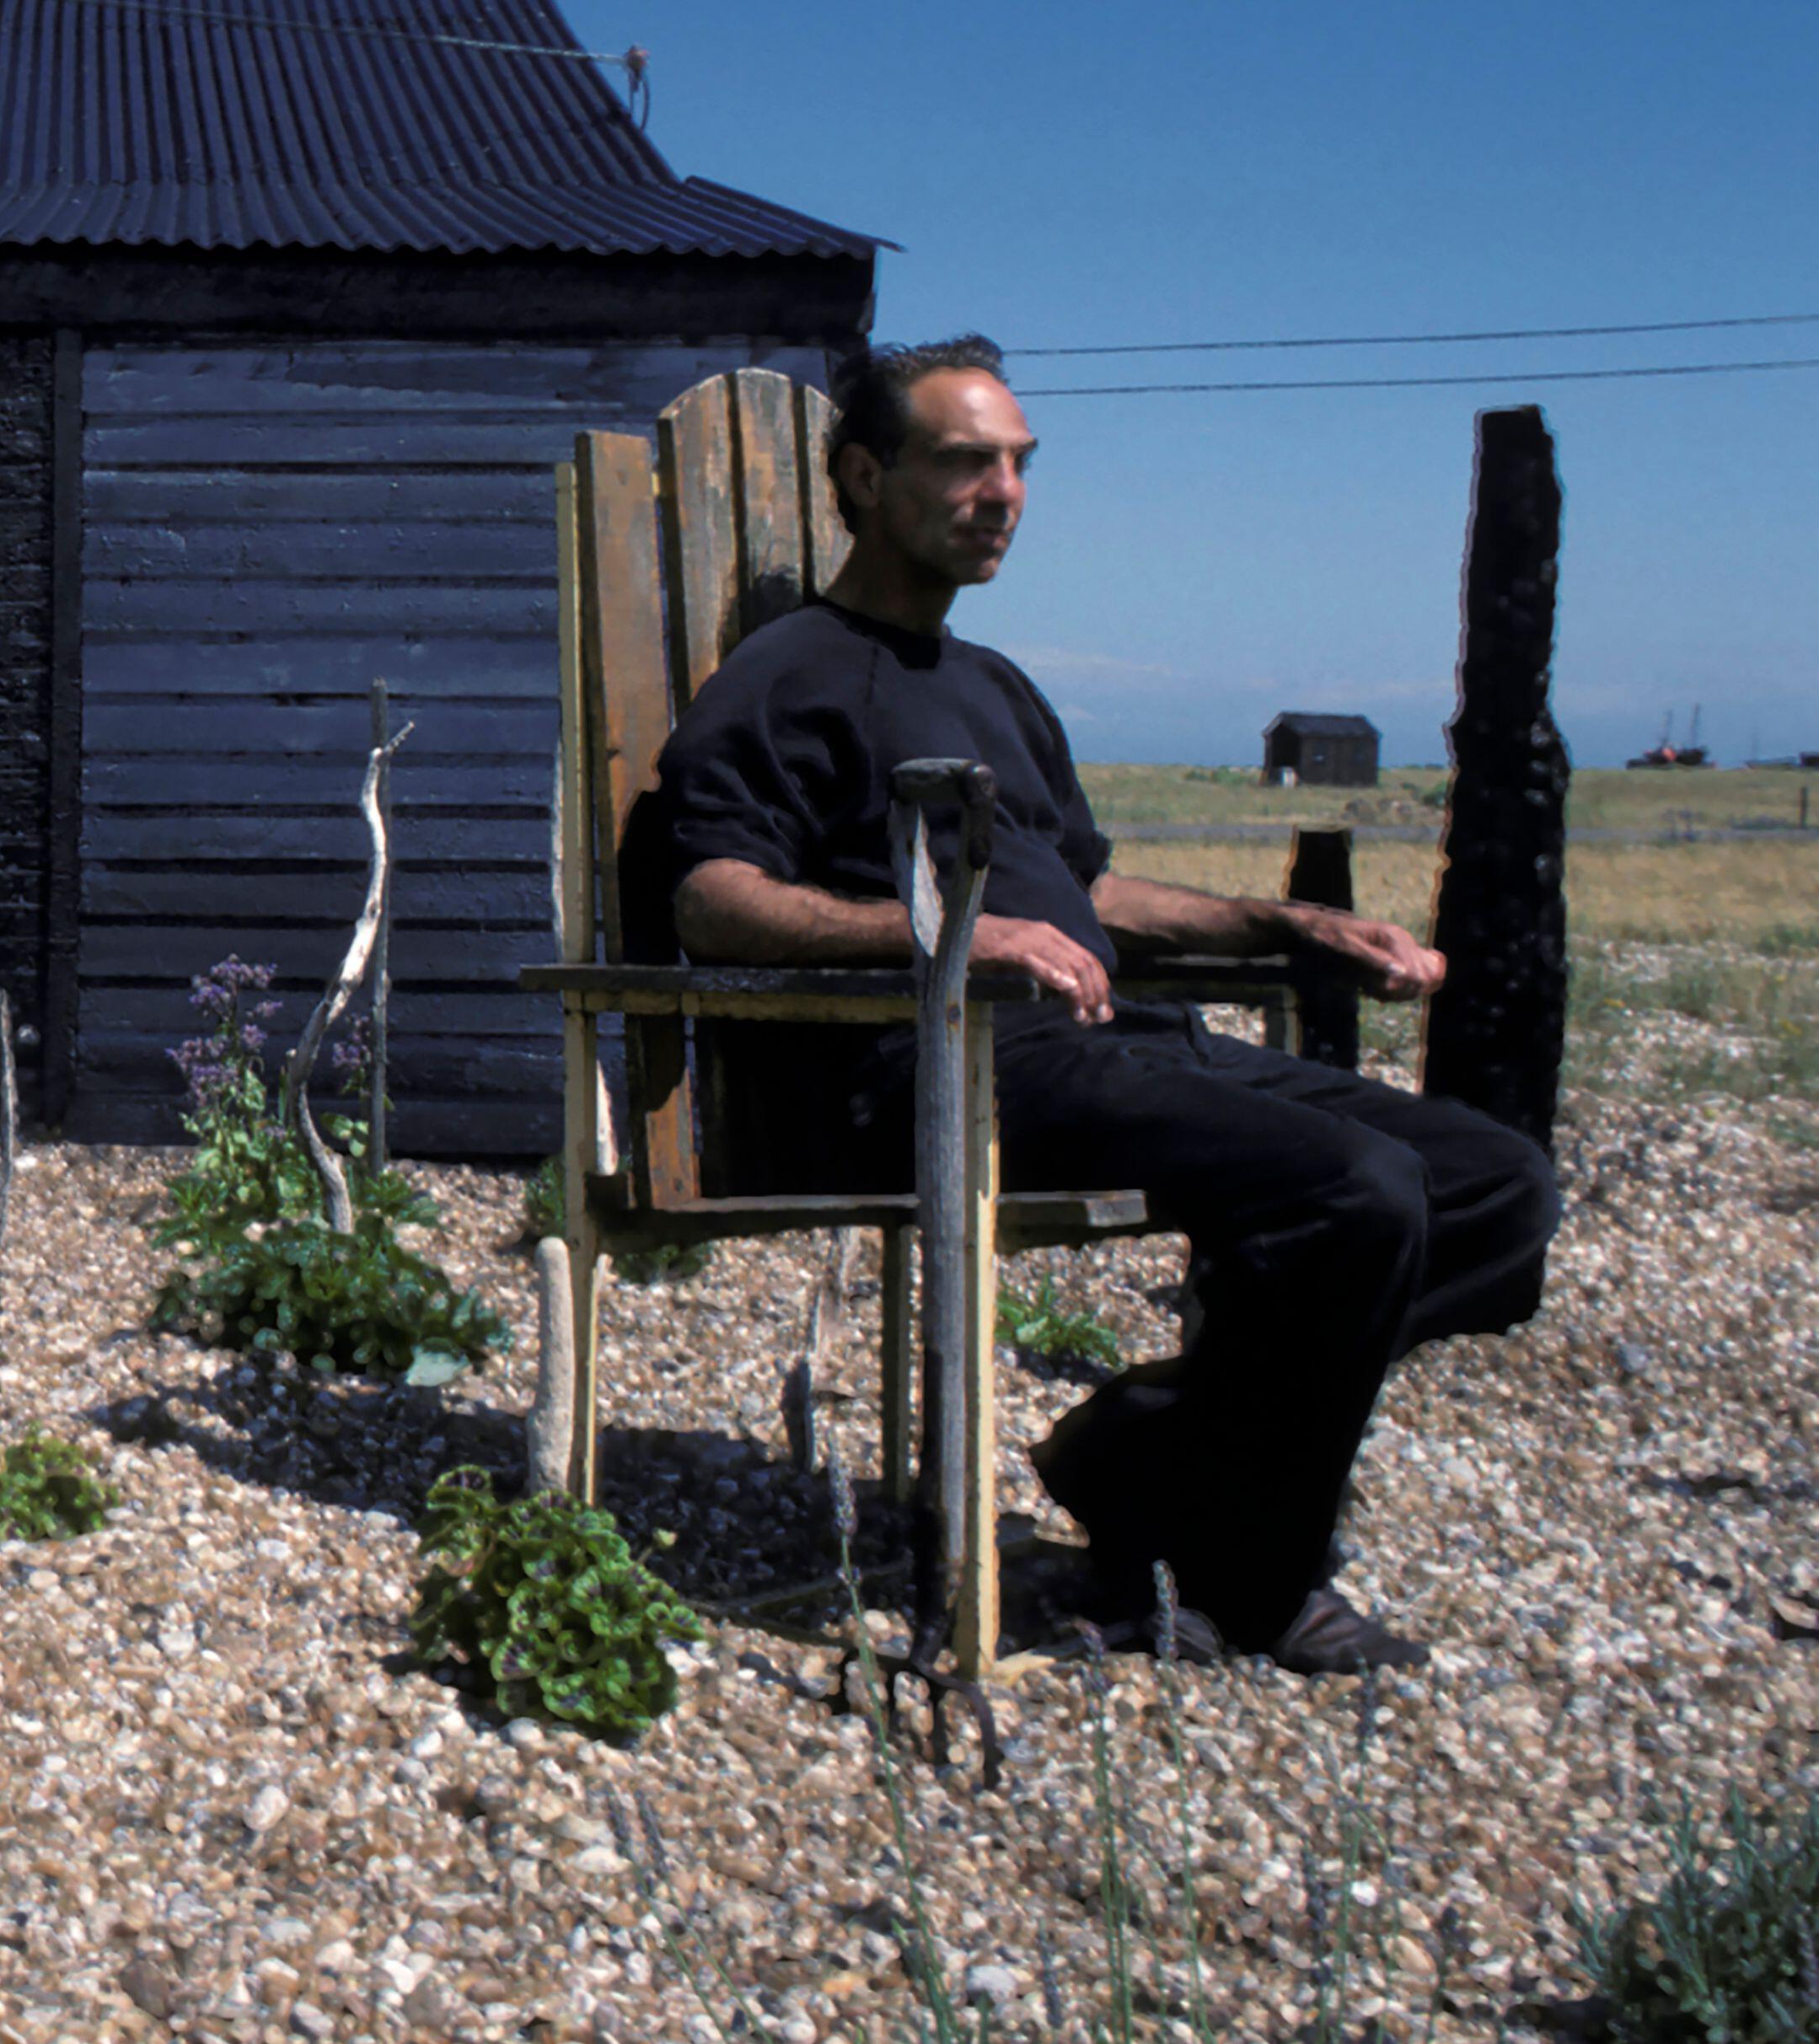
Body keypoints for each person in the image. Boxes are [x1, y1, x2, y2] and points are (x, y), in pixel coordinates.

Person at [640, 335, 1560, 1673]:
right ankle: (1249, 1576)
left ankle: (1137, 1453)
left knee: (1494, 1182)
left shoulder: (995, 683)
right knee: (1357, 1190)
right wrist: (946, 934)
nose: (1003, 491)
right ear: (862, 475)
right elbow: (711, 899)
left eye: (1017, 463)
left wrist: (1284, 922)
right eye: (962, 460)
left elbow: (1088, 889)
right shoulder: (789, 675)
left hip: (1095, 1046)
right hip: (929, 1064)